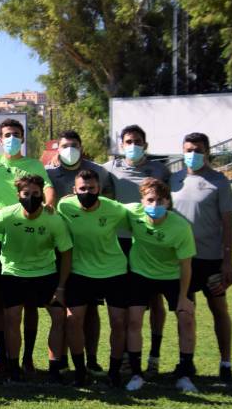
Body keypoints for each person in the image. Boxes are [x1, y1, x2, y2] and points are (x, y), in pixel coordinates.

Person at [0, 119, 55, 374]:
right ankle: (4, 357)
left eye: (16, 134)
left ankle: (28, 358)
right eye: (7, 135)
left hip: (29, 239)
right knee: (2, 303)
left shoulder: (34, 165)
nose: (12, 138)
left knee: (30, 305)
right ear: (0, 139)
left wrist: (49, 206)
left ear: (23, 138)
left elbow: (49, 189)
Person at [0, 175, 72, 383]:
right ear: (18, 196)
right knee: (13, 318)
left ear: (42, 194)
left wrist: (60, 287)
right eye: (26, 194)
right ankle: (14, 368)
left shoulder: (53, 218)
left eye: (36, 194)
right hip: (13, 274)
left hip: (45, 274)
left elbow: (67, 252)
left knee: (60, 317)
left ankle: (54, 369)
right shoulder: (7, 215)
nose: (31, 198)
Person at [102, 124, 171, 374]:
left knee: (155, 299)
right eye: (129, 141)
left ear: (146, 144)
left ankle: (154, 356)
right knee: (129, 304)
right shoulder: (110, 168)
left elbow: (170, 202)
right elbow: (86, 173)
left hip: (151, 242)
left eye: (138, 141)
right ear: (121, 145)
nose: (133, 146)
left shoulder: (160, 170)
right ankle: (126, 358)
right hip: (120, 243)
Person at [170, 132, 232, 383]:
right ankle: (186, 362)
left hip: (211, 259)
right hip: (182, 260)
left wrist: (227, 260)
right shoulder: (174, 179)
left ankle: (226, 362)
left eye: (198, 149)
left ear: (207, 151)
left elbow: (228, 224)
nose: (192, 154)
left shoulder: (219, 182)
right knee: (185, 312)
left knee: (219, 309)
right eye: (188, 149)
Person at [122, 178, 198, 393]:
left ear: (168, 203)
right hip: (141, 274)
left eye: (160, 201)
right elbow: (105, 206)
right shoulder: (132, 212)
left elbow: (186, 265)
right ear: (142, 201)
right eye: (150, 200)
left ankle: (184, 374)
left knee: (186, 318)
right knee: (134, 320)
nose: (154, 205)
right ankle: (136, 374)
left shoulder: (181, 227)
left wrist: (184, 297)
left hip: (173, 276)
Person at [46, 130, 111, 374]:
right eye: (64, 146)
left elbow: (108, 202)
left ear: (81, 147)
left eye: (74, 145)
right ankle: (60, 360)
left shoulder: (99, 172)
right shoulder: (49, 172)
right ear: (57, 149)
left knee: (91, 309)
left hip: (90, 251)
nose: (69, 149)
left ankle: (91, 358)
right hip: (59, 250)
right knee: (60, 308)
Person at [56, 170, 130, 386]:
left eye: (91, 189)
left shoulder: (114, 209)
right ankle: (80, 371)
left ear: (99, 189)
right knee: (72, 321)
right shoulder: (65, 206)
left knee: (118, 322)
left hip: (114, 271)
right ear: (74, 191)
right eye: (82, 189)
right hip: (80, 272)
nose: (87, 192)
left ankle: (114, 372)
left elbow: (138, 220)